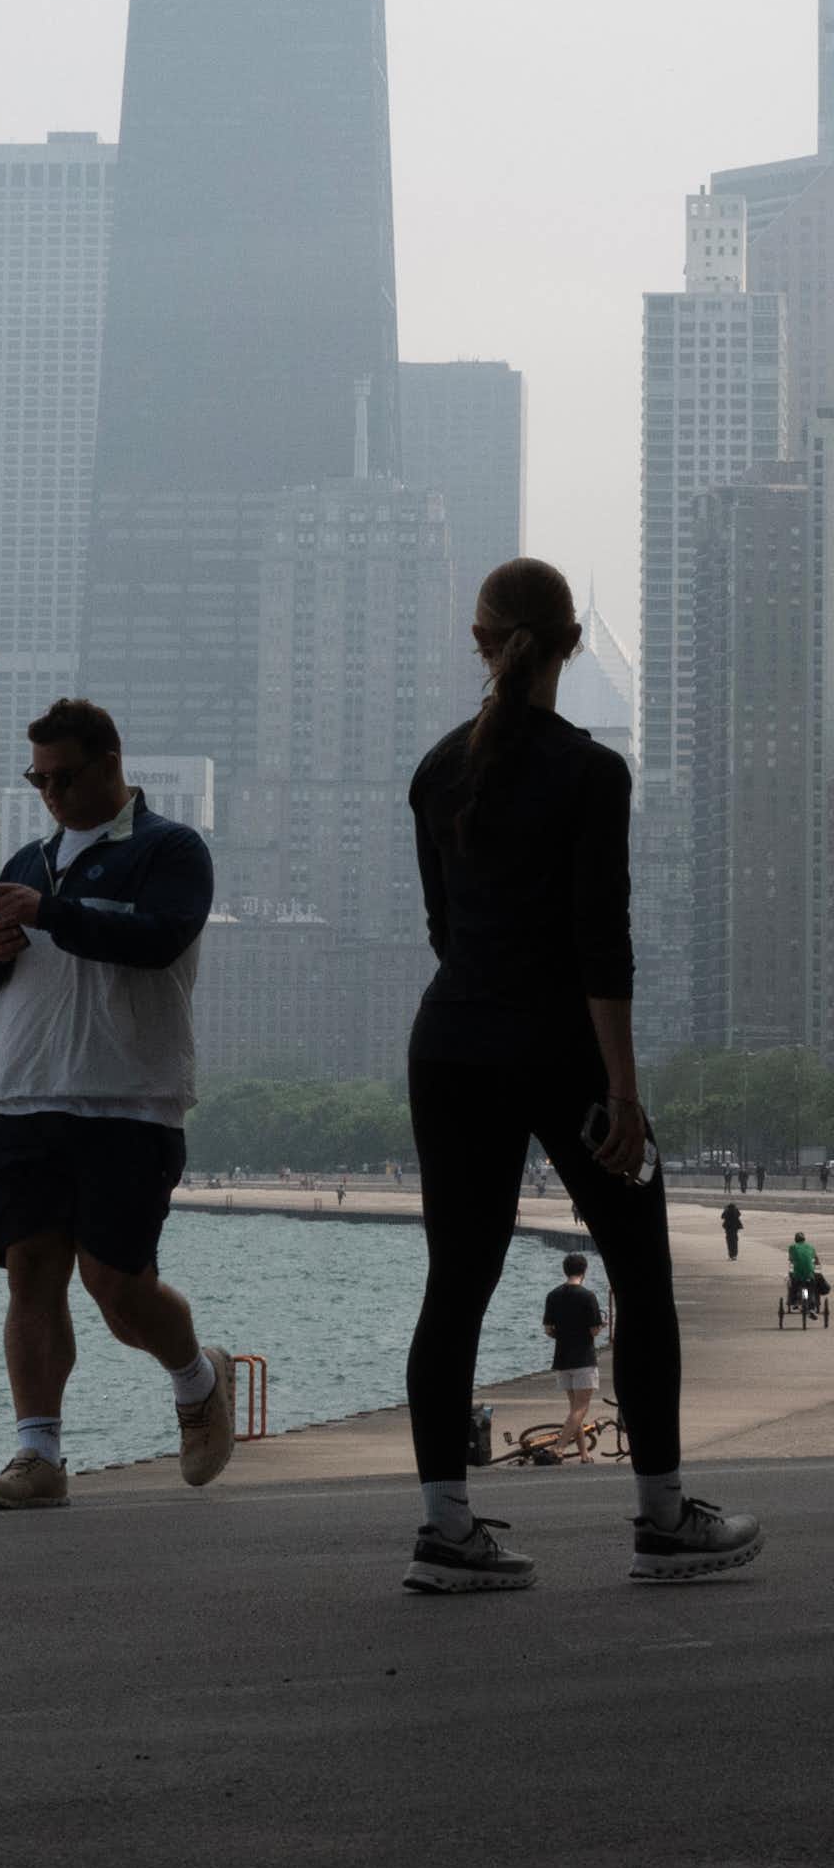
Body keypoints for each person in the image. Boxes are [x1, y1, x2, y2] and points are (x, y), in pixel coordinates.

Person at [401, 557, 761, 1594]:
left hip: (451, 1044)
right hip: (558, 1048)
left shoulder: (435, 770)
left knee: (452, 1290)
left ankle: (445, 1533)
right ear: (565, 645)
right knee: (638, 1278)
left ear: (483, 642)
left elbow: (440, 929)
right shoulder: (592, 773)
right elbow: (600, 944)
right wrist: (624, 1093)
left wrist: (485, 1000)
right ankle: (659, 1518)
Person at [0, 698, 235, 1511]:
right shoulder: (27, 857)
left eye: (63, 777)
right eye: (36, 778)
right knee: (30, 1274)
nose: (48, 794)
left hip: (131, 1104)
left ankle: (196, 1377)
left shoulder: (170, 849)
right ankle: (37, 1456)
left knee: (118, 1290)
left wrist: (51, 915)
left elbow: (158, 939)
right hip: (21, 1096)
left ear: (112, 763)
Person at [541, 1254, 606, 1460]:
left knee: (574, 1410)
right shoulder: (588, 1296)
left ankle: (584, 1454)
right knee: (581, 1407)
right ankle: (558, 1449)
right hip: (583, 1359)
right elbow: (594, 1330)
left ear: (565, 1270)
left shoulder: (553, 1295)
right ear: (584, 1271)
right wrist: (600, 1327)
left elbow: (549, 1330)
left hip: (562, 1358)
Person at [790, 1233, 824, 1318]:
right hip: (809, 1275)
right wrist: (816, 1265)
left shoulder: (792, 1247)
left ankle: (795, 1301)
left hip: (798, 1274)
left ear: (795, 1240)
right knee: (811, 1291)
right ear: (804, 1239)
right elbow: (816, 1260)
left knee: (794, 1285)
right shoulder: (810, 1247)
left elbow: (791, 1259)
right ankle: (812, 1309)